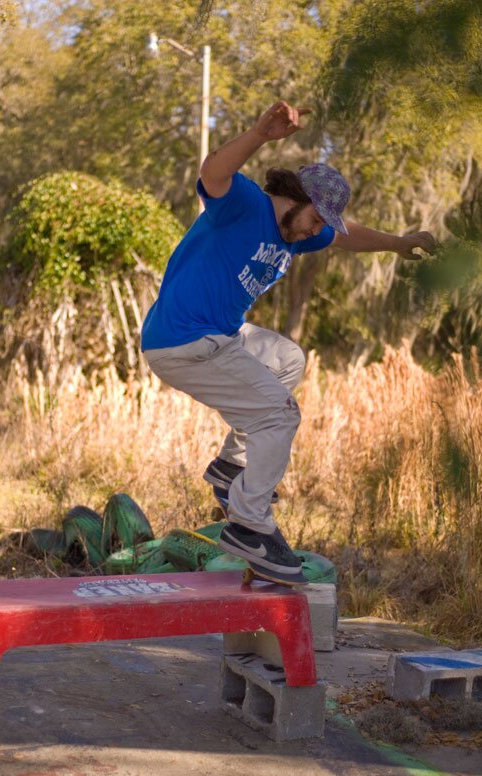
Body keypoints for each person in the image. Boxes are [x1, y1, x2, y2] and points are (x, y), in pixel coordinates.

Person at [141, 100, 435, 583]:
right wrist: (259, 134)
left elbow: (347, 236)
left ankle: (232, 468)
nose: (318, 233)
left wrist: (398, 242)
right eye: (317, 220)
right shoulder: (245, 205)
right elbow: (212, 171)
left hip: (219, 337)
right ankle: (249, 525)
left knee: (287, 358)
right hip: (184, 340)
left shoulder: (297, 234)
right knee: (280, 413)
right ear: (296, 199)